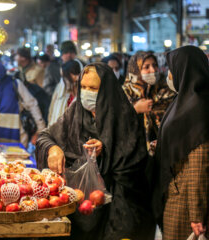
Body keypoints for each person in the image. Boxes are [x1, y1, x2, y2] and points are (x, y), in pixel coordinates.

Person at [36, 62, 155, 240]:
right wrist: (53, 148)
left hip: (119, 207)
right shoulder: (76, 112)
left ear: (106, 89)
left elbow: (133, 163)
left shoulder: (124, 115)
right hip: (81, 206)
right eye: (83, 87)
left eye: (93, 88)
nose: (86, 93)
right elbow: (45, 136)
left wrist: (104, 150)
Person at [153, 46, 209, 240]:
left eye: (171, 71)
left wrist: (197, 215)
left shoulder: (198, 108)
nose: (169, 76)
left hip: (187, 205)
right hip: (181, 195)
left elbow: (200, 166)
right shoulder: (188, 101)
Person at [0, 60, 45, 146]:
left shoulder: (15, 85)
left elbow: (32, 105)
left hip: (18, 136)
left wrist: (40, 129)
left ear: (0, 76)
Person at [122, 51, 176, 156]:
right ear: (136, 70)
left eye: (154, 65)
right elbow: (116, 120)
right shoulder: (125, 93)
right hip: (133, 152)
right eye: (146, 67)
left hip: (163, 150)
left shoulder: (166, 90)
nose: (153, 70)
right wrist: (135, 109)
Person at [48, 60, 81, 126]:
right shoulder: (60, 89)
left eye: (65, 76)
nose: (63, 80)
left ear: (73, 75)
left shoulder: (84, 93)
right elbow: (52, 112)